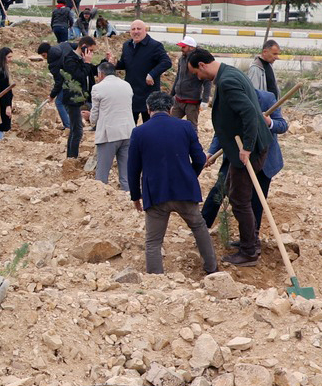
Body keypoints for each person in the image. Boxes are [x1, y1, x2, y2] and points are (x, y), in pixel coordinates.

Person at [190, 47, 271, 267]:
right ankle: (250, 241)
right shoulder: (229, 72)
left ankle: (249, 252)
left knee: (239, 200)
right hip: (244, 148)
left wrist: (246, 147)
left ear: (202, 66)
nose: (198, 78)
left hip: (248, 151)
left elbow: (248, 113)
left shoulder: (227, 82)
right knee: (231, 188)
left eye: (196, 73)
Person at [127, 93, 218, 276]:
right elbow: (200, 159)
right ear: (170, 109)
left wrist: (136, 196)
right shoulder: (185, 126)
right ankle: (212, 269)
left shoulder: (139, 132)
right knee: (199, 227)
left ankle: (156, 279)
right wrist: (191, 176)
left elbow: (133, 168)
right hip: (185, 189)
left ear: (148, 109)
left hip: (156, 193)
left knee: (153, 241)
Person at [89, 61, 134, 185]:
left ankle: (99, 200)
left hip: (109, 134)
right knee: (126, 175)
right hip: (128, 132)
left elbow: (94, 114)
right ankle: (128, 198)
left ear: (101, 74)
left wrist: (91, 120)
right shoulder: (127, 85)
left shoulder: (97, 88)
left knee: (102, 176)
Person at [116, 19, 171, 119]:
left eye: (139, 29)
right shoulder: (126, 45)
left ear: (145, 30)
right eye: (133, 29)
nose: (136, 31)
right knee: (130, 127)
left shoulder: (155, 46)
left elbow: (166, 62)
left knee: (149, 127)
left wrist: (152, 74)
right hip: (131, 94)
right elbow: (124, 64)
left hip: (149, 94)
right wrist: (114, 63)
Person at [252, 87, 289, 232]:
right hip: (244, 158)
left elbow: (282, 125)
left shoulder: (267, 99)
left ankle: (252, 239)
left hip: (265, 161)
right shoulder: (234, 100)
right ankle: (247, 238)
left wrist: (269, 122)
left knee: (257, 201)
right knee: (241, 200)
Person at [170, 37, 211, 128]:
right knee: (171, 124)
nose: (181, 49)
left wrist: (205, 100)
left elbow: (207, 81)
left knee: (192, 127)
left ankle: (192, 142)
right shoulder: (182, 59)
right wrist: (171, 94)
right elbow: (178, 77)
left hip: (192, 102)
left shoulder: (199, 61)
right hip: (178, 99)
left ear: (191, 47)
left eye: (184, 47)